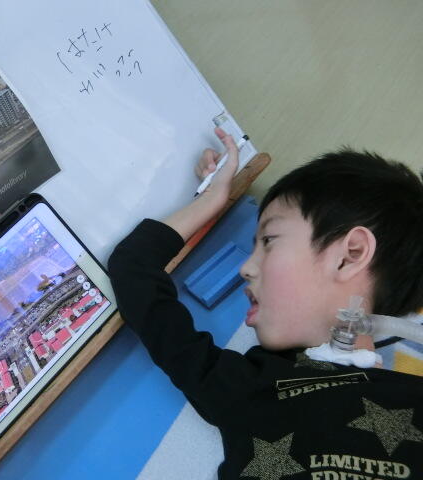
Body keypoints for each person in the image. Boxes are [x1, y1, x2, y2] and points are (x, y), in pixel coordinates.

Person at [108, 127, 423, 478]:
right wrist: (210, 200)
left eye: (269, 241)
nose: (246, 268)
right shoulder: (250, 386)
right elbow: (133, 269)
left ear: (350, 254)